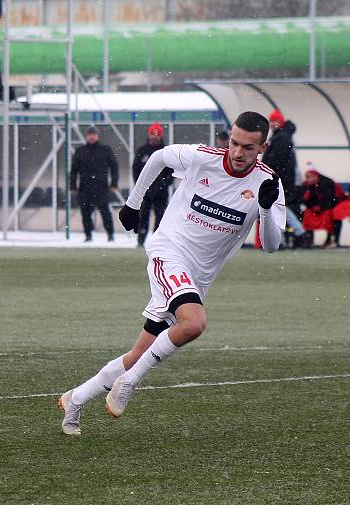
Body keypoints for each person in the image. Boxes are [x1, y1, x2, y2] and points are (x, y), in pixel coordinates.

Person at [59, 111, 285, 434]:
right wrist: (133, 203)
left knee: (138, 353)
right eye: (234, 143)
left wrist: (264, 208)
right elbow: (158, 158)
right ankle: (131, 383)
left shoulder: (268, 183)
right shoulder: (202, 158)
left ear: (262, 147)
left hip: (197, 279)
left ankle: (75, 399)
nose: (237, 152)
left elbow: (272, 246)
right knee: (194, 322)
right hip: (168, 252)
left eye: (248, 147)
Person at [70, 126, 119, 242]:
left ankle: (110, 235)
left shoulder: (105, 150)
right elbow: (74, 170)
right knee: (85, 214)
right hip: (85, 188)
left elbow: (114, 167)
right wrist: (72, 185)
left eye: (94, 134)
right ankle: (88, 235)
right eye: (90, 134)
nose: (92, 136)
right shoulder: (80, 151)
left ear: (97, 136)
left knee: (105, 213)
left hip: (101, 188)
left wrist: (114, 183)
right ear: (86, 136)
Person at [261, 108, 301, 246]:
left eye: (275, 121)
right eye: (271, 121)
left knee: (279, 208)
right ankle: (289, 237)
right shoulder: (282, 136)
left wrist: (265, 170)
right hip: (283, 179)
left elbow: (275, 159)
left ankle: (298, 233)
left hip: (280, 179)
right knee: (279, 208)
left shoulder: (281, 138)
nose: (272, 124)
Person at [131, 122, 173, 247]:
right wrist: (140, 186)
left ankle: (156, 242)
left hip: (161, 192)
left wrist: (164, 184)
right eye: (152, 135)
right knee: (143, 217)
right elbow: (135, 169)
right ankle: (140, 241)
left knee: (160, 217)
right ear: (149, 135)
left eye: (157, 135)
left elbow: (172, 171)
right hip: (145, 192)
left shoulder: (166, 151)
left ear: (161, 136)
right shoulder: (142, 151)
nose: (154, 138)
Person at [300, 164, 339, 248]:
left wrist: (320, 207)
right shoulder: (306, 185)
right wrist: (312, 205)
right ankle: (309, 240)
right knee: (307, 214)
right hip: (313, 209)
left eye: (309, 177)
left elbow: (331, 200)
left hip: (326, 208)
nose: (308, 179)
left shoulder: (327, 182)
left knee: (329, 215)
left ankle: (329, 239)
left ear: (315, 175)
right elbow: (304, 201)